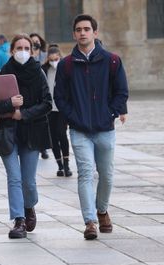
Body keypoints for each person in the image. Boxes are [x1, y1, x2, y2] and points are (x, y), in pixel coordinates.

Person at [54, 14, 129, 240]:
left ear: (95, 33)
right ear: (74, 34)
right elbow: (60, 97)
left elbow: (121, 92)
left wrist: (110, 113)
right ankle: (90, 222)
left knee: (106, 175)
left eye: (87, 29)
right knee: (85, 173)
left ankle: (102, 210)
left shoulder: (112, 61)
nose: (83, 33)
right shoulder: (66, 65)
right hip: (79, 130)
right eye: (79, 29)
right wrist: (72, 117)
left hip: (105, 129)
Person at [0, 34, 52, 239]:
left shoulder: (38, 73)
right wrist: (9, 104)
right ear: (11, 51)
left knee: (28, 181)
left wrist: (22, 113)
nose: (22, 51)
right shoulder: (0, 74)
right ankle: (19, 220)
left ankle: (29, 206)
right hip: (7, 133)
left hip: (32, 132)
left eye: (26, 48)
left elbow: (47, 103)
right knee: (14, 178)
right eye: (18, 48)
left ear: (32, 51)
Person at [41, 45, 73, 177]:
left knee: (62, 134)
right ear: (48, 59)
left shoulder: (66, 69)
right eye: (51, 59)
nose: (54, 61)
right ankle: (59, 165)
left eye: (56, 58)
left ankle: (66, 164)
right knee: (53, 137)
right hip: (49, 109)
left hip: (62, 108)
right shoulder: (44, 70)